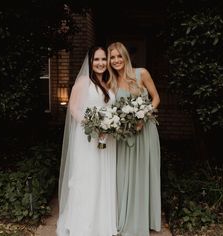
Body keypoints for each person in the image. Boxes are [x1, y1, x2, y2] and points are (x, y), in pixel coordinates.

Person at [56, 46, 117, 236]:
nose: (100, 63)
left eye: (103, 59)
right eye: (96, 60)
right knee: (87, 178)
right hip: (87, 138)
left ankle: (102, 223)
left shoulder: (108, 82)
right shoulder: (83, 81)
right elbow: (73, 109)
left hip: (107, 139)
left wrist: (108, 125)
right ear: (90, 62)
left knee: (103, 177)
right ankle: (83, 225)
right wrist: (93, 125)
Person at [107, 42, 161, 236]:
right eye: (112, 57)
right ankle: (126, 218)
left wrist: (143, 116)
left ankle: (144, 220)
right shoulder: (110, 83)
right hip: (125, 135)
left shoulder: (142, 73)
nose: (116, 60)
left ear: (125, 57)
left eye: (118, 56)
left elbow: (156, 98)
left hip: (145, 132)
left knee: (143, 173)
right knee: (124, 175)